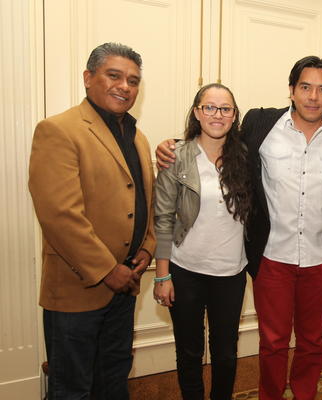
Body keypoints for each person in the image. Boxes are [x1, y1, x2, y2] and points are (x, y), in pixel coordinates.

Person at [156, 56, 322, 400]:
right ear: (292, 91)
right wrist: (171, 146)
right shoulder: (261, 124)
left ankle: (304, 395)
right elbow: (215, 137)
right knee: (273, 342)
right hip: (273, 256)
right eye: (305, 87)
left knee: (312, 342)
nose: (313, 96)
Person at [28, 42, 156, 399]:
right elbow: (59, 215)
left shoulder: (137, 137)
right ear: (88, 78)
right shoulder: (59, 130)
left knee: (113, 378)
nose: (125, 87)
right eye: (113, 76)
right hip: (77, 288)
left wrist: (146, 248)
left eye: (133, 80)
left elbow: (145, 199)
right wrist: (106, 269)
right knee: (72, 387)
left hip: (126, 283)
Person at [153, 83, 251, 399]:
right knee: (189, 353)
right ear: (197, 112)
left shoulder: (246, 157)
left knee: (225, 354)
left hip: (230, 274)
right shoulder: (176, 157)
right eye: (210, 107)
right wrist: (162, 274)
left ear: (234, 116)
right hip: (185, 271)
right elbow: (163, 219)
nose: (217, 115)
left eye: (225, 109)